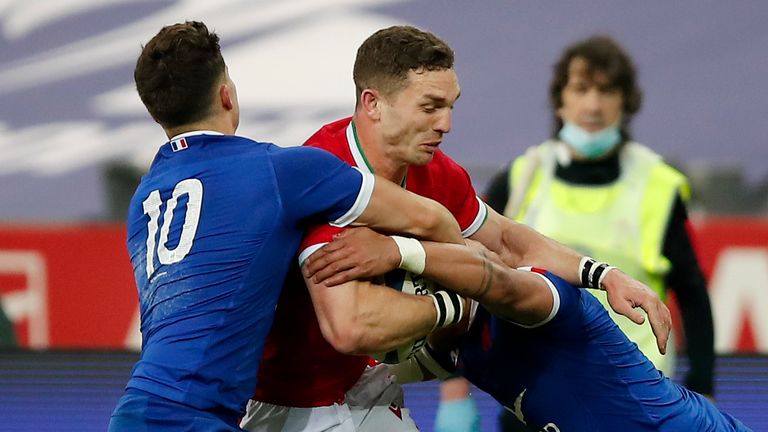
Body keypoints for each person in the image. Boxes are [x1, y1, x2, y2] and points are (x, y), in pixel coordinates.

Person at [242, 26, 671, 432]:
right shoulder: (324, 176)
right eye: (430, 107)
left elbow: (505, 240)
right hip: (286, 405)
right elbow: (351, 327)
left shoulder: (436, 172)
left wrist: (603, 274)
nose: (446, 124)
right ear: (372, 104)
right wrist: (460, 303)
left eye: (451, 106)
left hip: (362, 388)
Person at [108, 21, 468, 432]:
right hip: (195, 418)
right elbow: (430, 217)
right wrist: (458, 295)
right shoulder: (281, 171)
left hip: (135, 411)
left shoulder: (145, 200)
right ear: (227, 94)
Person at [478, 35, 715, 431]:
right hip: (532, 391)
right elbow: (475, 272)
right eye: (581, 88)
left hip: (633, 392)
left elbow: (692, 293)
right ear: (561, 99)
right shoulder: (521, 178)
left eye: (606, 91)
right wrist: (454, 391)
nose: (593, 104)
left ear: (625, 101)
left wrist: (704, 386)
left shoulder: (658, 184)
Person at [307, 227, 751, 432]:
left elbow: (495, 279)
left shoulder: (541, 299)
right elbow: (361, 369)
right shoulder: (454, 346)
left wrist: (397, 251)